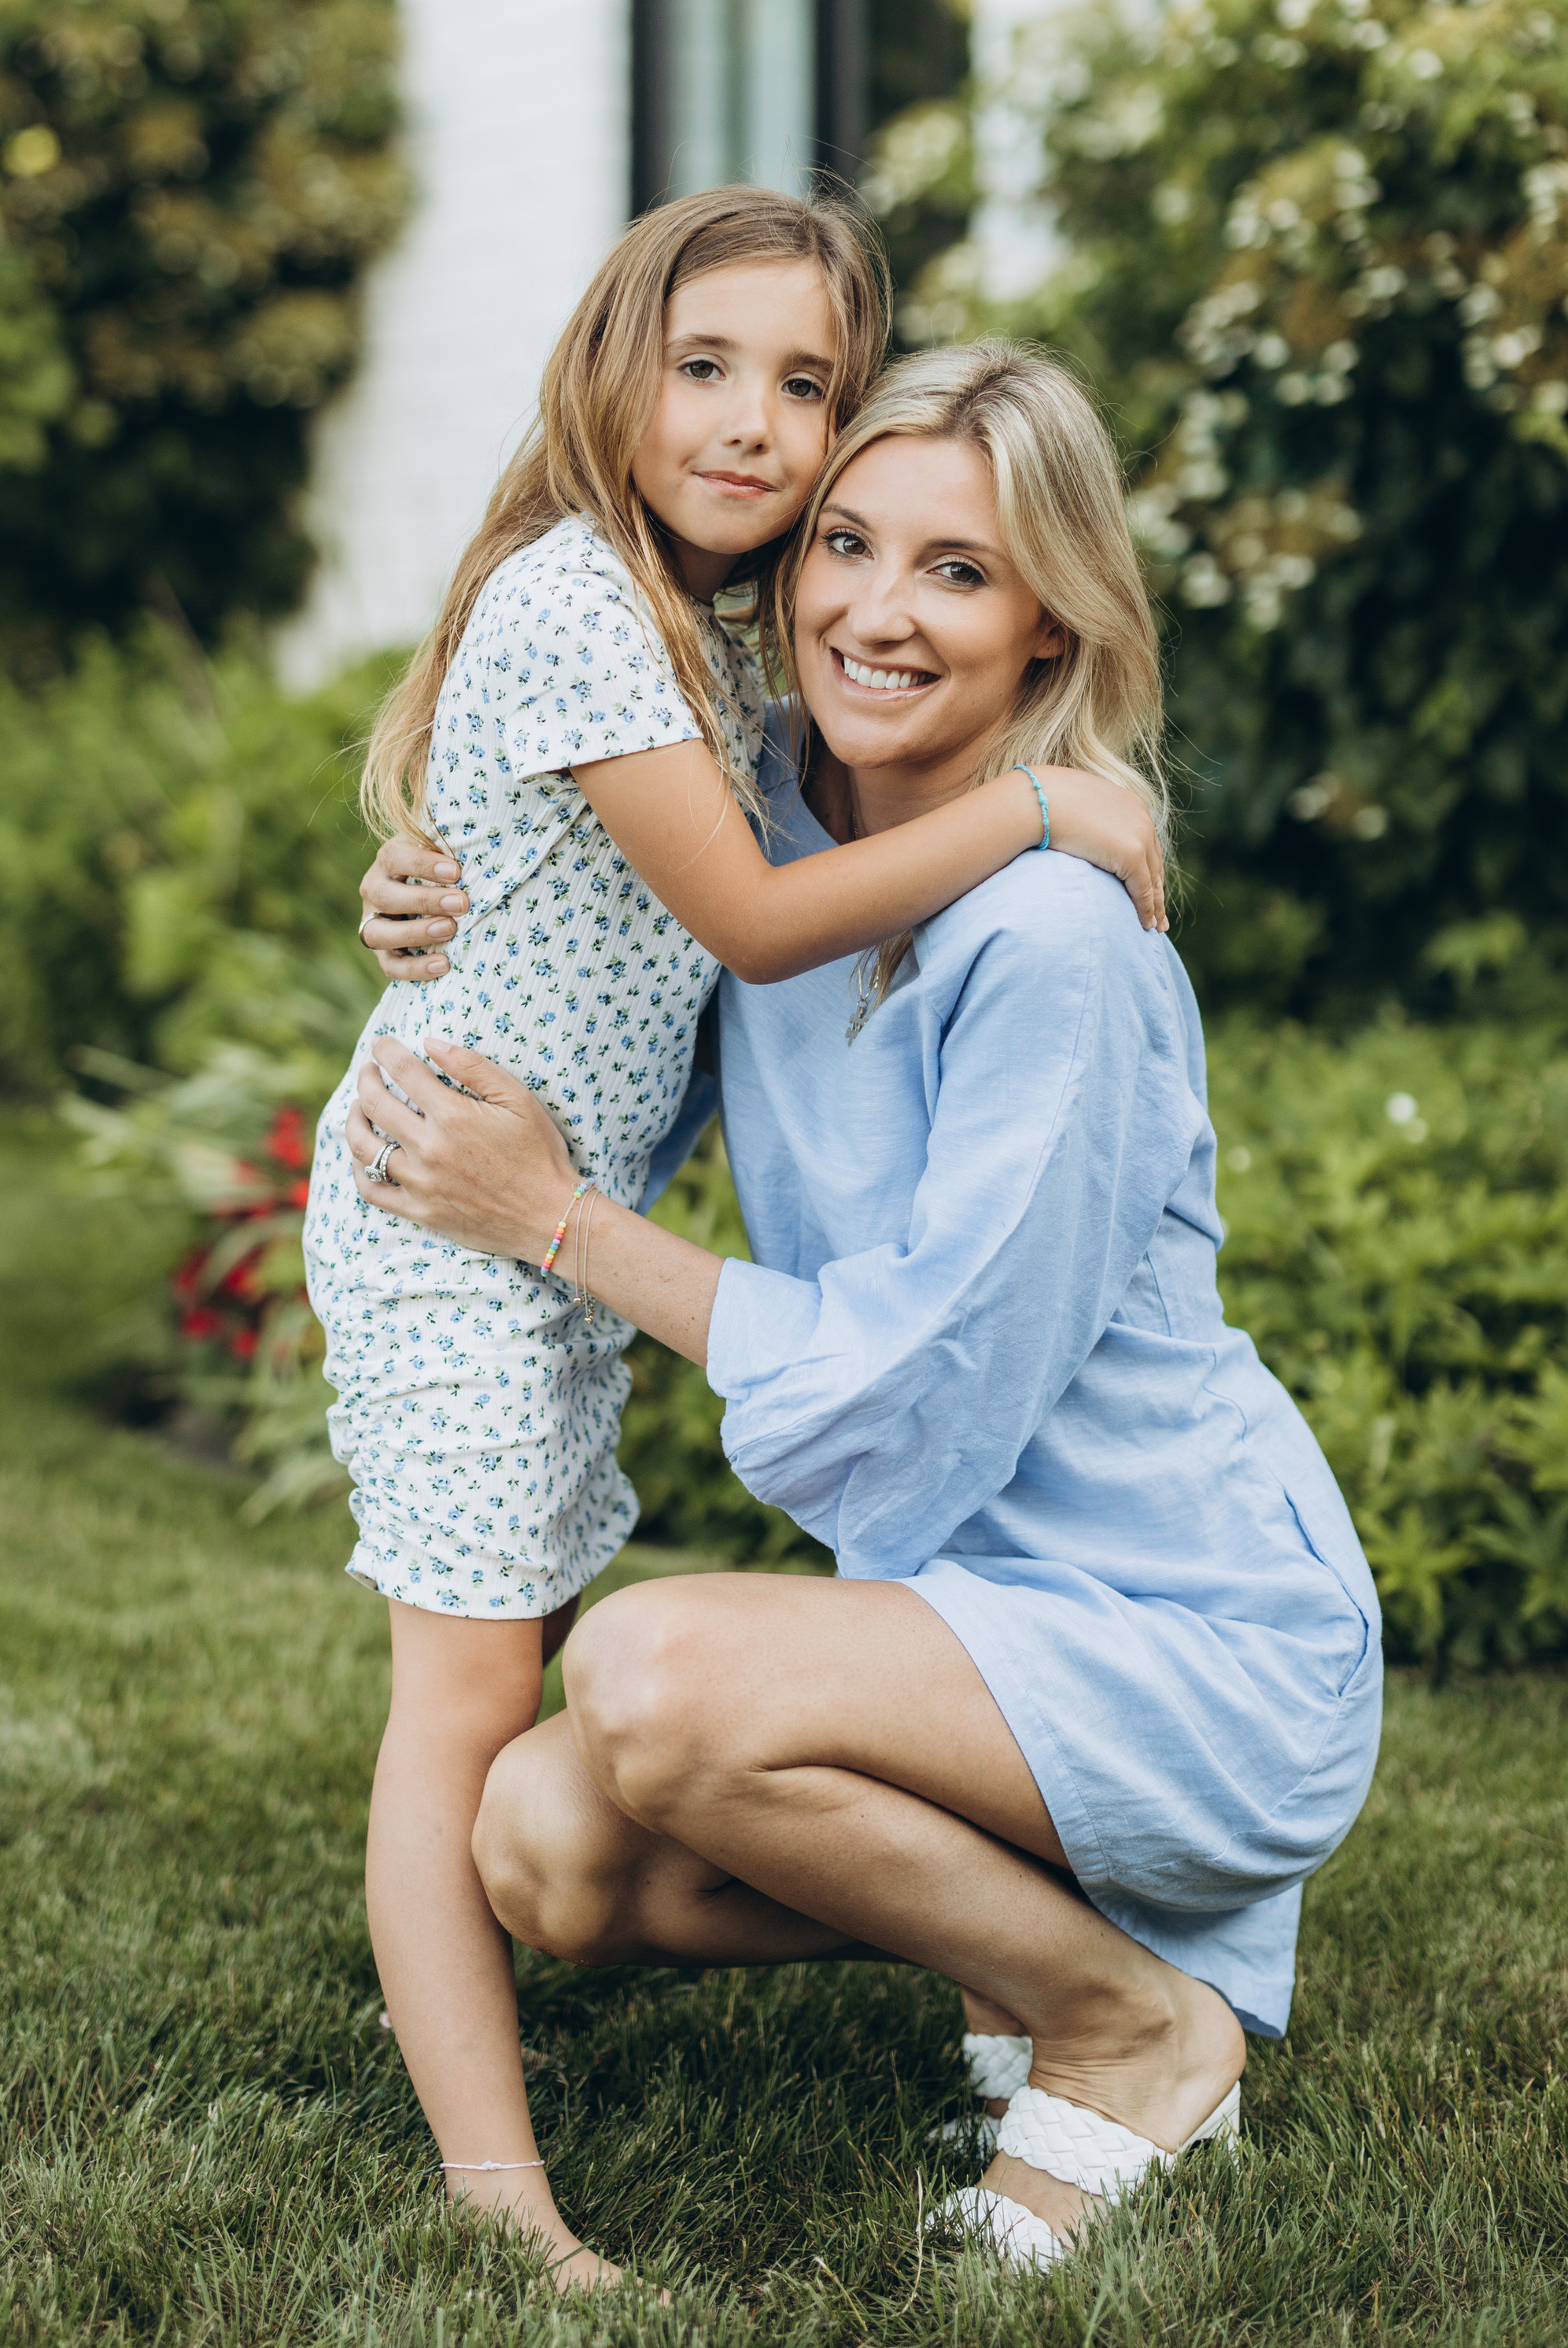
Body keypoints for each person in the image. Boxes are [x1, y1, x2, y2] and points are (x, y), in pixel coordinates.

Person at [349, 341, 1384, 2277]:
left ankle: (1126, 2024)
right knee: (543, 1844)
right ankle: (1090, 1952)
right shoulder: (773, 835)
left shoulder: (1057, 936)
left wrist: (555, 1222)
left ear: (1049, 632)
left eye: (957, 573)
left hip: (1192, 1629)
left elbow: (921, 1391)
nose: (874, 614)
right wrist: (419, 889)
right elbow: (571, 867)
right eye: (845, 545)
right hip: (971, 1624)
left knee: (652, 1678)